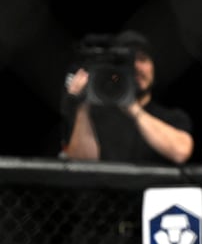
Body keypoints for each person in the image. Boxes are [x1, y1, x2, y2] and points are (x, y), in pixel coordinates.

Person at [60, 29, 194, 165]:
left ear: (154, 67)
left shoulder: (172, 117)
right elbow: (80, 164)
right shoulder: (94, 118)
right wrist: (83, 104)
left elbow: (181, 152)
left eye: (142, 59)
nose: (136, 66)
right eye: (126, 61)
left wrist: (132, 106)